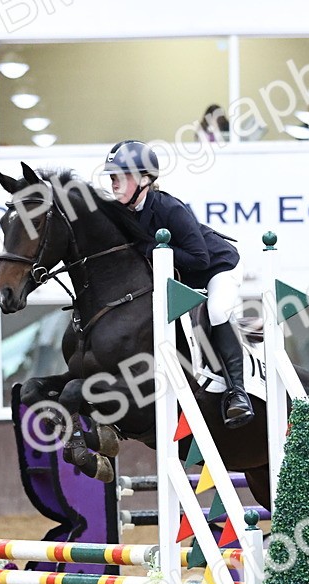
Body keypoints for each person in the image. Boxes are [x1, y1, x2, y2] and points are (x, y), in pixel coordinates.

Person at [102, 139, 254, 429]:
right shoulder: (123, 213)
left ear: (145, 179)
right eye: (112, 178)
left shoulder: (170, 208)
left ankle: (237, 392)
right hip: (181, 280)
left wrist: (152, 250)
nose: (115, 184)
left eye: (122, 177)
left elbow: (199, 258)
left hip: (217, 268)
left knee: (218, 312)